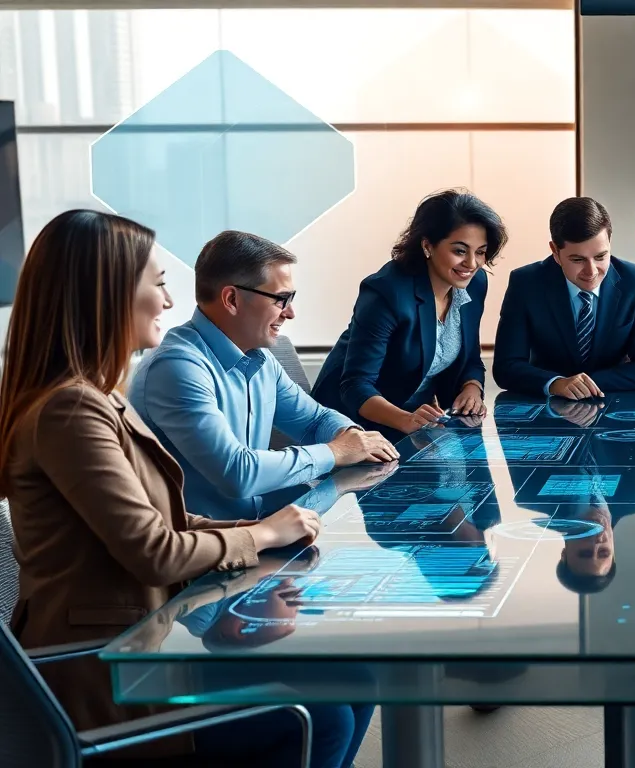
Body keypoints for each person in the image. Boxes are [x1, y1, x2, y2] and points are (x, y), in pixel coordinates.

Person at [0, 210, 370, 768]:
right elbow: (154, 551)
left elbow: (167, 523)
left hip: (149, 633)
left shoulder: (100, 397)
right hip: (110, 670)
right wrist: (261, 532)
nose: (170, 302)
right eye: (159, 283)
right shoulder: (71, 410)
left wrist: (256, 532)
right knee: (324, 712)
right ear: (107, 294)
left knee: (356, 678)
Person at [129, 230, 398, 523]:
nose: (290, 313)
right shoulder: (177, 366)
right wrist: (337, 452)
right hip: (205, 548)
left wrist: (351, 436)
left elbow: (316, 420)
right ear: (232, 299)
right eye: (281, 299)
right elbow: (237, 473)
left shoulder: (259, 358)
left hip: (263, 527)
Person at [313, 189, 505, 438]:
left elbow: (469, 357)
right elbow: (355, 386)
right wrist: (405, 420)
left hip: (417, 420)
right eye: (459, 251)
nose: (472, 263)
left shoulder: (475, 283)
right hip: (352, 423)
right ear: (427, 245)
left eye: (480, 251)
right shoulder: (386, 292)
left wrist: (472, 387)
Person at [493, 197, 635, 398]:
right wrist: (556, 384)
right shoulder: (526, 283)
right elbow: (506, 367)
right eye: (577, 259)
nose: (591, 271)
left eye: (600, 257)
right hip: (548, 410)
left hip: (613, 403)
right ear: (555, 252)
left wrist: (581, 384)